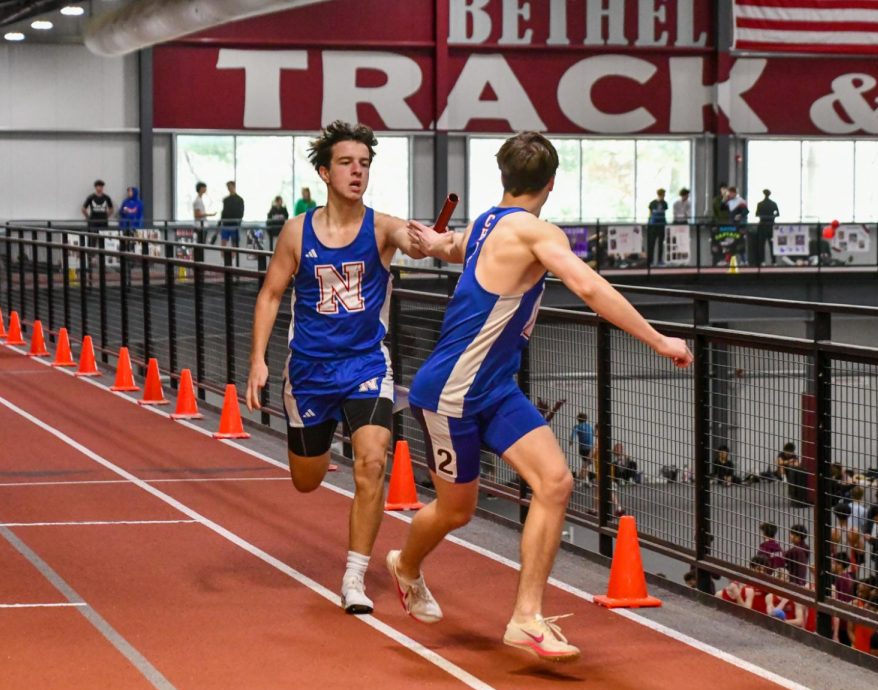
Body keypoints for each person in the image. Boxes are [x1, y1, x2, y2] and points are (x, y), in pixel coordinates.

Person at [392, 131, 693, 661]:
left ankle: (526, 618)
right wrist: (660, 340)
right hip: (451, 392)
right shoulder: (535, 232)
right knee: (456, 511)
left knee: (555, 481)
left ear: (505, 178)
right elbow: (591, 288)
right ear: (551, 185)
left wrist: (430, 242)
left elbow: (453, 245)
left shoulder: (489, 221)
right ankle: (405, 565)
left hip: (495, 388)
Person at [245, 121, 424, 617]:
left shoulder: (383, 228)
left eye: (364, 164)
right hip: (309, 372)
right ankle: (321, 441)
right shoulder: (297, 232)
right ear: (325, 172)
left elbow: (421, 242)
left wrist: (438, 242)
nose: (357, 172)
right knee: (308, 479)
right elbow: (271, 294)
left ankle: (354, 576)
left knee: (372, 463)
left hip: (366, 363)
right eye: (346, 163)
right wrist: (258, 360)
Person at [82, 179, 113, 267]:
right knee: (93, 241)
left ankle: (104, 260)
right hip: (93, 223)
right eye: (98, 186)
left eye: (102, 186)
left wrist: (106, 216)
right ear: (96, 187)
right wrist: (88, 218)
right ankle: (92, 260)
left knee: (103, 241)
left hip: (103, 223)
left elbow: (111, 209)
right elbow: (83, 209)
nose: (100, 188)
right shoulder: (91, 197)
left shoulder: (106, 197)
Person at [219, 181, 245, 266]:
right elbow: (223, 212)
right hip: (226, 225)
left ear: (234, 187)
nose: (229, 189)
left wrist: (238, 222)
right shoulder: (226, 200)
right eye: (228, 187)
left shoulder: (240, 199)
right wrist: (220, 222)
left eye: (230, 187)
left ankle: (232, 261)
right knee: (223, 243)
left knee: (234, 244)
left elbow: (241, 213)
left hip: (234, 225)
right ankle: (226, 262)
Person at [751, 188, 778, 267]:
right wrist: (771, 216)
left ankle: (762, 261)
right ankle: (774, 261)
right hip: (771, 225)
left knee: (761, 245)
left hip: (762, 225)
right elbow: (778, 213)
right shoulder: (773, 203)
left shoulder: (760, 204)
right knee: (772, 244)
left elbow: (757, 214)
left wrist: (763, 216)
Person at [118, 186, 144, 252]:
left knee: (134, 243)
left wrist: (129, 211)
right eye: (128, 191)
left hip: (135, 226)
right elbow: (121, 211)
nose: (129, 193)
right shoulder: (125, 202)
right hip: (125, 226)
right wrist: (125, 211)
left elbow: (137, 213)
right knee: (125, 242)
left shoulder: (139, 203)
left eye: (130, 191)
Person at [647, 188, 668, 266]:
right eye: (663, 195)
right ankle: (650, 261)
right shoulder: (652, 203)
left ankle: (660, 260)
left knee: (660, 243)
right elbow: (649, 213)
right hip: (653, 226)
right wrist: (649, 222)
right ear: (660, 194)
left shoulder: (665, 203)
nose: (664, 196)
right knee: (652, 243)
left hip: (661, 225)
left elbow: (664, 212)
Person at [571, 412, 594, 482]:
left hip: (582, 448)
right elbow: (593, 434)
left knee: (586, 463)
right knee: (586, 463)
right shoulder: (589, 426)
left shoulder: (577, 427)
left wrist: (571, 441)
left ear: (578, 419)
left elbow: (573, 435)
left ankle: (584, 478)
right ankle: (581, 478)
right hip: (590, 447)